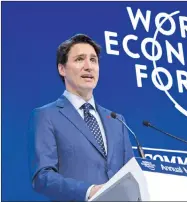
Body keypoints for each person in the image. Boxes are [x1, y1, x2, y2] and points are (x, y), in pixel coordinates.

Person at [27, 34, 135, 201]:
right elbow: (42, 177)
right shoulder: (46, 115)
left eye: (93, 60)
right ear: (62, 69)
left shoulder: (116, 120)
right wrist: (89, 191)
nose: (88, 66)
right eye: (79, 59)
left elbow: (131, 174)